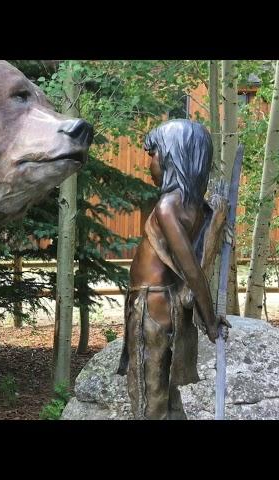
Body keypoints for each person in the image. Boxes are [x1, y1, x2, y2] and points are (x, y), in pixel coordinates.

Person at [117, 119, 231, 420]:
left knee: (148, 393)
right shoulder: (196, 207)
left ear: (172, 157)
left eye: (152, 155)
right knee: (166, 393)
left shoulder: (169, 206)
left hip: (151, 307)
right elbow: (195, 264)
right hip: (168, 303)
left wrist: (208, 321)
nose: (149, 165)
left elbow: (193, 271)